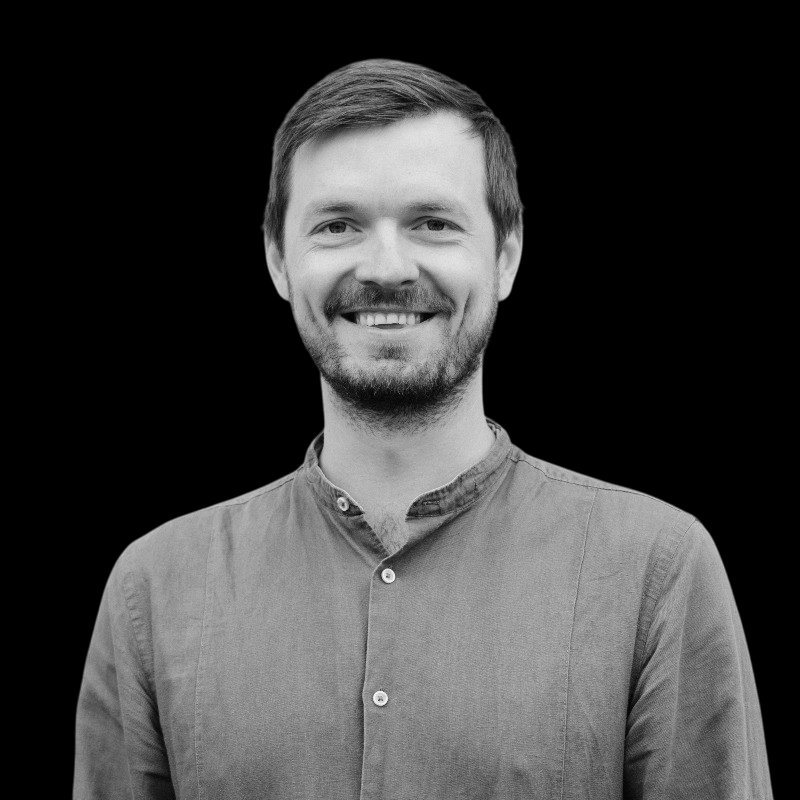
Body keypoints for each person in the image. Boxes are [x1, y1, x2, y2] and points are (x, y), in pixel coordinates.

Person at [74, 59, 772, 799]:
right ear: (278, 260)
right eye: (338, 225)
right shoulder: (153, 591)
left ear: (506, 256)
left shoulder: (657, 571)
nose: (387, 268)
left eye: (433, 223)